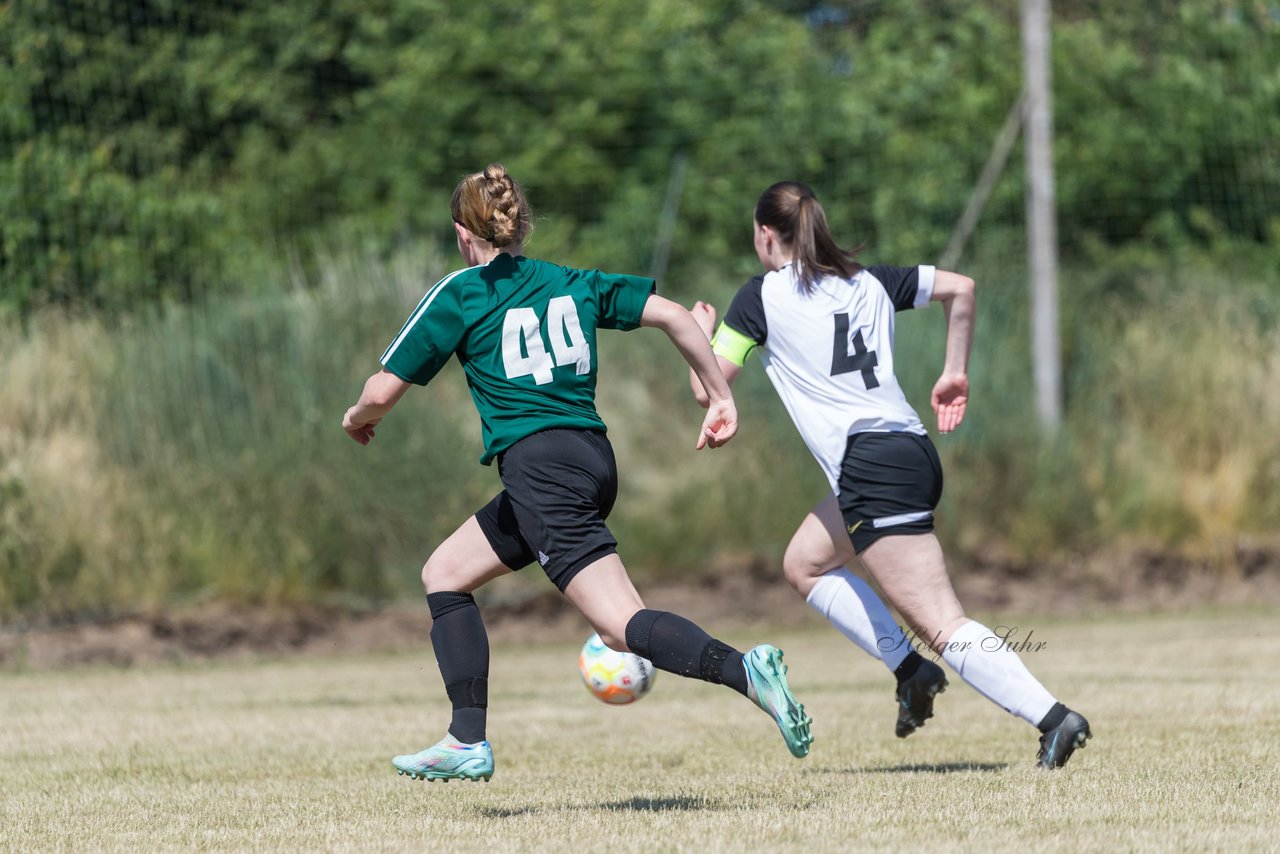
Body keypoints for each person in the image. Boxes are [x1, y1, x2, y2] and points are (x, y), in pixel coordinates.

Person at [342, 164, 813, 783]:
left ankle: (745, 671)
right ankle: (464, 738)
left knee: (622, 626)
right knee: (446, 574)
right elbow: (674, 314)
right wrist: (718, 395)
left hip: (539, 470)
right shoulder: (571, 282)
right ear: (520, 225)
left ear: (463, 233)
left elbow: (382, 390)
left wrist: (356, 416)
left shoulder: (461, 292)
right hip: (588, 460)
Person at [688, 180, 1091, 769]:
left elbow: (707, 387)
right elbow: (962, 288)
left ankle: (1055, 719)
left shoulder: (761, 298)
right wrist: (955, 371)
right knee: (804, 563)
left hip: (871, 466)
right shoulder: (869, 280)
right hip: (906, 451)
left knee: (942, 621)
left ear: (765, 234)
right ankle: (910, 671)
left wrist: (700, 333)